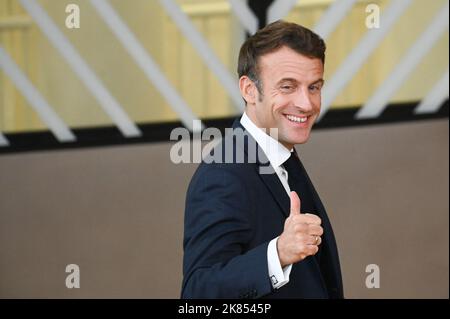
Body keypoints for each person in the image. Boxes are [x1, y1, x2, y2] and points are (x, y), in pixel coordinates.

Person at [181, 20, 343, 299]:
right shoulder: (223, 175)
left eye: (314, 87)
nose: (306, 104)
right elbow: (198, 293)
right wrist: (278, 253)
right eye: (288, 87)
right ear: (249, 90)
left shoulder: (281, 151)